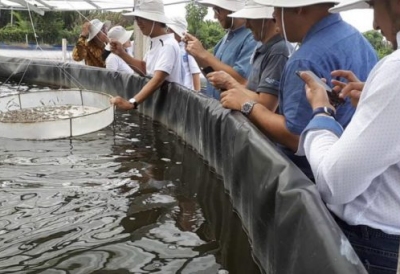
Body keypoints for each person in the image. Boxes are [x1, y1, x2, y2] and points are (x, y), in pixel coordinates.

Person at [220, 0, 378, 180]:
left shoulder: (305, 60)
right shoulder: (356, 39)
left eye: (277, 8)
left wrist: (246, 105)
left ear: (298, 8)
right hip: (353, 174)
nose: (273, 16)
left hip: (311, 184)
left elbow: (296, 138)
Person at [296, 0, 400, 272]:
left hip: (374, 243)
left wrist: (321, 114)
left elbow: (335, 185)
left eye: (375, 5)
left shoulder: (396, 69)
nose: (375, 24)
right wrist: (375, 99)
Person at [206, 0, 290, 111]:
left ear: (266, 19)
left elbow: (267, 105)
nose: (247, 25)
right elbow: (253, 91)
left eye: (250, 19)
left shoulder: (278, 50)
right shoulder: (262, 49)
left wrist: (230, 83)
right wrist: (229, 85)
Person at [109, 0, 182, 110]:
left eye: (141, 18)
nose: (138, 22)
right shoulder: (155, 42)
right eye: (136, 18)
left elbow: (158, 79)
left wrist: (131, 103)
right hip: (158, 106)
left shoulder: (168, 45)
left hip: (169, 108)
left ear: (155, 19)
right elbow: (145, 68)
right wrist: (121, 53)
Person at [183, 0, 257, 99]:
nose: (215, 16)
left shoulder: (252, 38)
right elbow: (212, 76)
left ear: (232, 9)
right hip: (217, 110)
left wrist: (204, 54)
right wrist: (197, 55)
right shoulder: (224, 40)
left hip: (232, 113)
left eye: (218, 10)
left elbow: (241, 81)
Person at [166, 16, 201, 91]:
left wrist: (197, 94)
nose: (169, 33)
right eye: (169, 30)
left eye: (172, 31)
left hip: (186, 92)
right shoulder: (168, 47)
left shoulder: (188, 48)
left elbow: (195, 73)